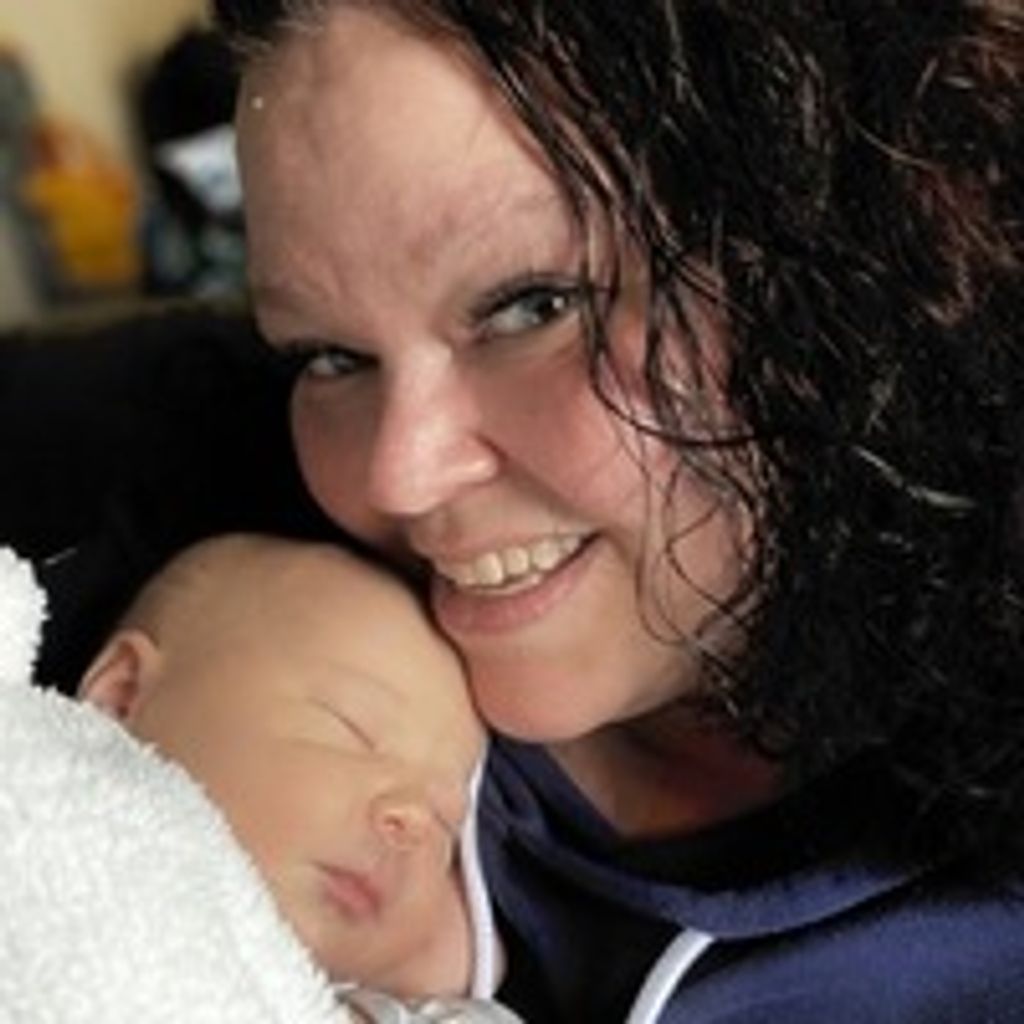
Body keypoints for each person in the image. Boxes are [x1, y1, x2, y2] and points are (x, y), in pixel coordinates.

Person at [199, 2, 1023, 1021]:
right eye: (330, 356)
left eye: (535, 305)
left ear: (862, 265)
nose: (399, 476)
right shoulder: (201, 656)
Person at [0, 536, 517, 1022]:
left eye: (447, 826)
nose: (412, 822)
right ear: (123, 694)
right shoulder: (33, 794)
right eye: (353, 730)